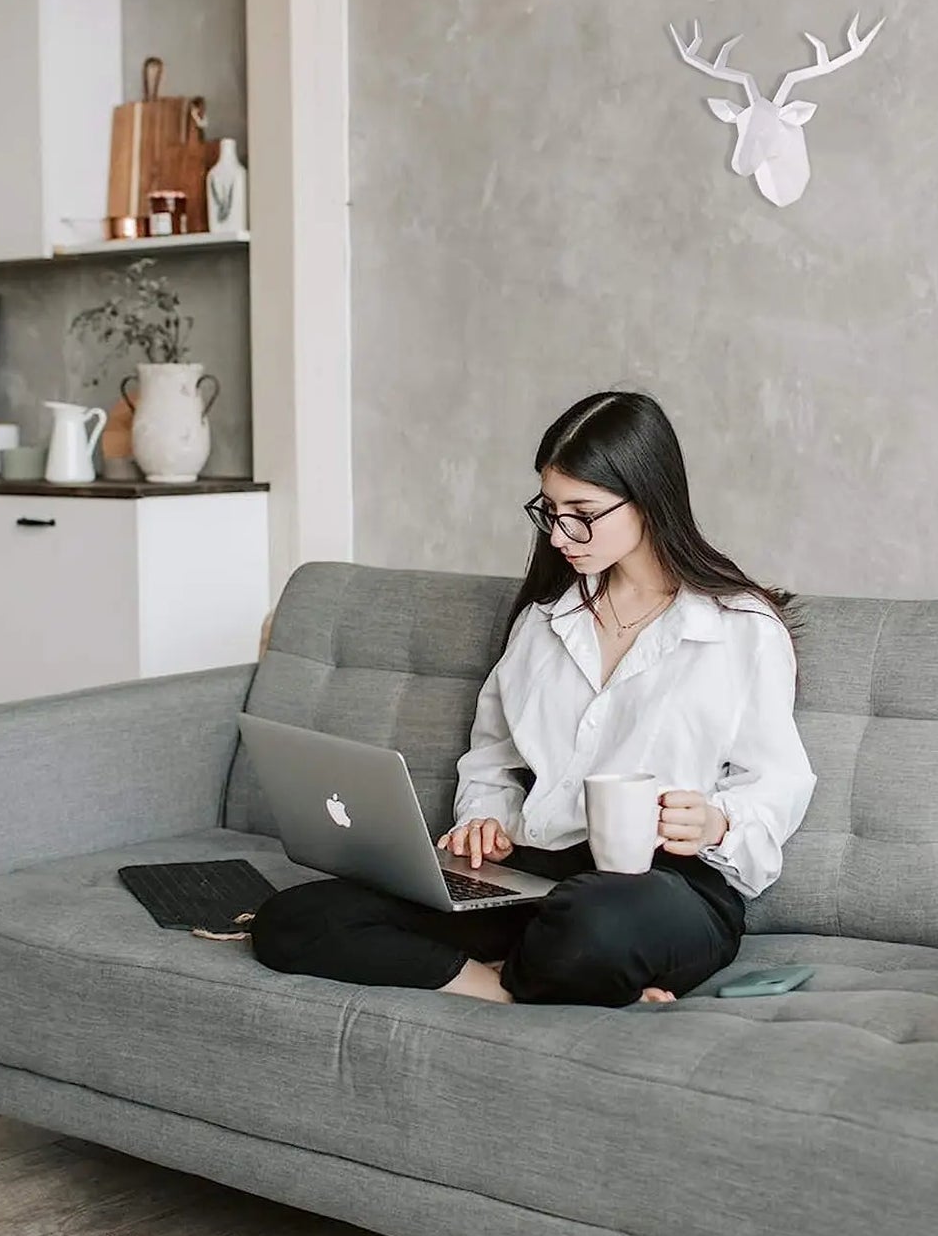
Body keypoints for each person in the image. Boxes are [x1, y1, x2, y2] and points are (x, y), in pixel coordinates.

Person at [250, 391, 816, 1007]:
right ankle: (501, 985)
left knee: (591, 925)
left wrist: (717, 822)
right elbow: (493, 759)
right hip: (533, 874)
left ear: (649, 498)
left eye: (583, 511)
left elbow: (775, 784)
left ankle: (559, 967)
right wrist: (481, 823)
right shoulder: (545, 621)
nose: (561, 534)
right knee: (295, 917)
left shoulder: (738, 627)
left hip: (663, 884)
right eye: (550, 510)